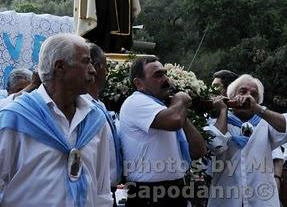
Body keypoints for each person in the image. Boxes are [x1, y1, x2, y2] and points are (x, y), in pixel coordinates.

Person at [0, 33, 113, 207]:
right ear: (60, 67)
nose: (93, 70)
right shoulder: (14, 119)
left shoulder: (95, 120)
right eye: (85, 62)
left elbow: (102, 192)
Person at [120, 56, 207, 206]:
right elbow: (174, 121)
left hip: (175, 192)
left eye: (165, 74)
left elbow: (199, 150)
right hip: (149, 196)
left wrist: (179, 110)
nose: (166, 79)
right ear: (139, 83)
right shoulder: (136, 102)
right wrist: (180, 99)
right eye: (158, 75)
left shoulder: (168, 110)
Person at [205, 74, 287, 207]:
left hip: (262, 201)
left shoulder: (266, 124)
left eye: (253, 95)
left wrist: (258, 109)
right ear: (231, 96)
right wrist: (223, 110)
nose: (248, 96)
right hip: (225, 200)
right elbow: (216, 145)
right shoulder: (215, 121)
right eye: (243, 91)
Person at [85, 43, 122, 207]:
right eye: (106, 68)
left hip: (108, 191)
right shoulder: (84, 107)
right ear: (98, 67)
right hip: (94, 193)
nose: (107, 73)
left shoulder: (98, 103)